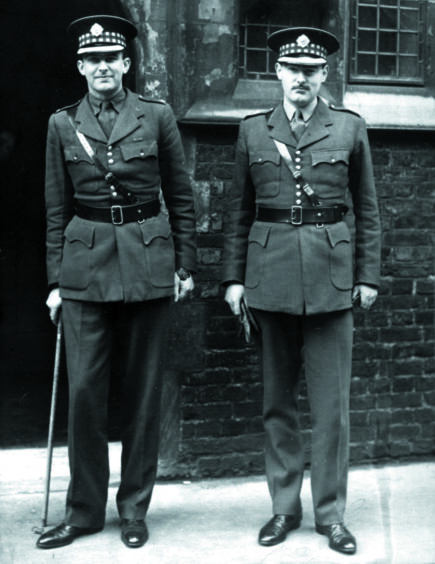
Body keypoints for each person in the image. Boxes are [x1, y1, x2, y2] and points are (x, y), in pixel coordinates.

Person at [37, 15, 196, 550]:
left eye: (112, 58)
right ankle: (83, 511)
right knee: (84, 394)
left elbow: (181, 193)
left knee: (142, 394)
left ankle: (133, 510)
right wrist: (56, 281)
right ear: (80, 67)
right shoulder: (63, 124)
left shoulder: (156, 116)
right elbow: (56, 210)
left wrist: (185, 265)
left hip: (149, 266)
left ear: (127, 64)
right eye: (93, 60)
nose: (103, 67)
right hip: (84, 273)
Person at [223, 27, 380, 555]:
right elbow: (238, 213)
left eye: (311, 71)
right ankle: (283, 509)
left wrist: (367, 276)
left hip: (333, 281)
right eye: (292, 69)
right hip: (270, 281)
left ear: (324, 76)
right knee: (277, 404)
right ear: (278, 74)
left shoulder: (349, 129)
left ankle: (331, 514)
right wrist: (234, 279)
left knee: (332, 409)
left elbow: (369, 209)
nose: (301, 79)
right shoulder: (253, 131)